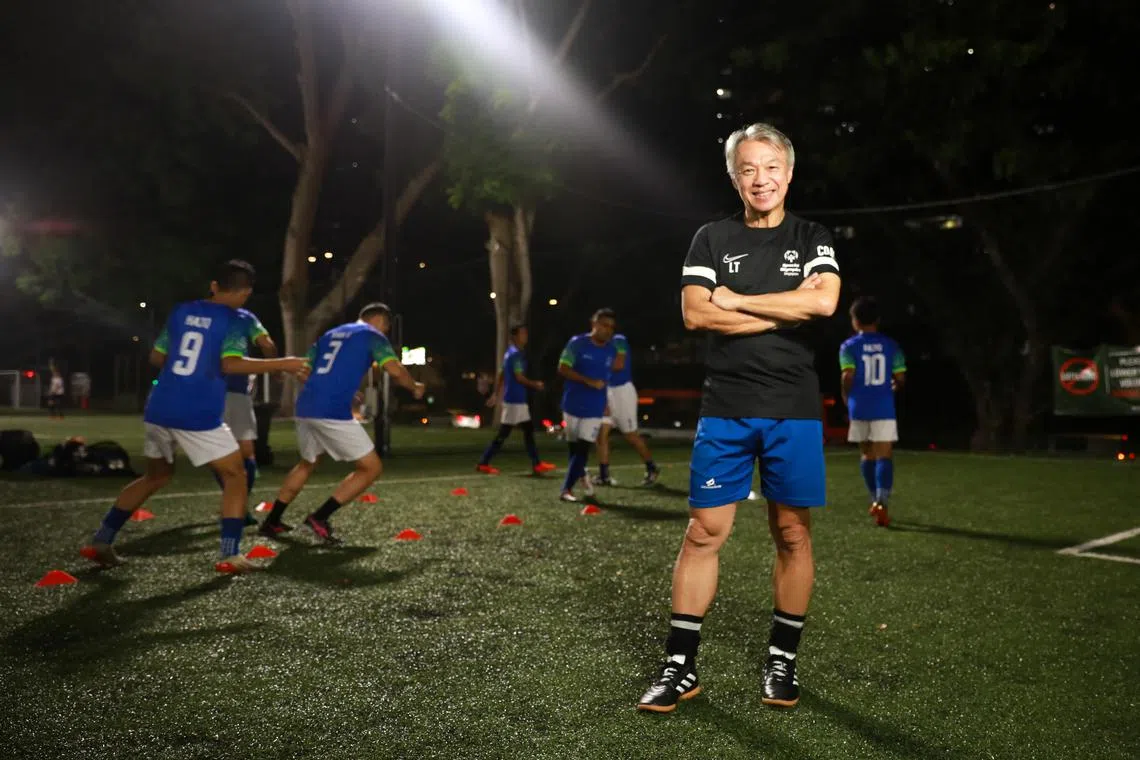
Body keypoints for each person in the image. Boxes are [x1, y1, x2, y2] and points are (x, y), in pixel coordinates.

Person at [637, 123, 841, 713]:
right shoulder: (710, 237)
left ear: (789, 172)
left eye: (771, 167)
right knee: (704, 532)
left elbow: (824, 302)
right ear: (734, 176)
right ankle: (680, 666)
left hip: (793, 409)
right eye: (749, 169)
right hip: (725, 407)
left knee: (792, 533)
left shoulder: (813, 236)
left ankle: (782, 659)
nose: (761, 179)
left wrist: (738, 299)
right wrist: (784, 310)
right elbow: (696, 316)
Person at [79, 260, 309, 574]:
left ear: (216, 285)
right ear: (245, 292)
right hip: (197, 410)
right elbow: (231, 364)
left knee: (156, 476)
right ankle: (230, 554)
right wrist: (285, 363)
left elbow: (156, 357)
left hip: (160, 405)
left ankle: (102, 540)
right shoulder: (236, 319)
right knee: (236, 475)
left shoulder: (182, 311)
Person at [260, 302, 425, 544]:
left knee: (308, 462)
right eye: (387, 327)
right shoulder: (373, 335)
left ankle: (272, 521)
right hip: (330, 410)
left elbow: (304, 370)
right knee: (371, 468)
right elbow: (396, 371)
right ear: (381, 321)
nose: (386, 332)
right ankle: (319, 518)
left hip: (306, 406)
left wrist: (331, 388)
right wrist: (415, 387)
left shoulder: (331, 334)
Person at [840, 296, 905, 527]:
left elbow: (847, 375)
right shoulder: (891, 345)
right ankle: (882, 501)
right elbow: (900, 377)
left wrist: (846, 397)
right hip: (883, 406)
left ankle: (873, 499)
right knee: (884, 454)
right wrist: (893, 387)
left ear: (855, 321)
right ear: (877, 319)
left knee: (867, 454)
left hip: (859, 406)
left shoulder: (848, 347)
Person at [219, 308, 278, 525]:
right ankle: (237, 505)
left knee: (219, 452)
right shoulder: (244, 317)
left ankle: (233, 503)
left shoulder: (200, 314)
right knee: (246, 453)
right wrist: (276, 367)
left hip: (206, 390)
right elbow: (267, 345)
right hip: (234, 392)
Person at [476, 324, 556, 476]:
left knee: (527, 431)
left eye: (526, 333)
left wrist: (495, 394)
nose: (525, 336)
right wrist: (535, 384)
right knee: (505, 433)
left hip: (516, 400)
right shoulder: (515, 355)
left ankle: (537, 463)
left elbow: (501, 374)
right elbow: (518, 377)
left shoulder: (510, 353)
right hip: (514, 401)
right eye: (522, 333)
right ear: (514, 337)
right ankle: (483, 462)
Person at [557, 309, 617, 502]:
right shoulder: (577, 344)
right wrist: (587, 381)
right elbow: (563, 368)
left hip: (594, 408)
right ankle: (582, 476)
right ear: (594, 324)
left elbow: (606, 379)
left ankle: (566, 489)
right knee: (574, 451)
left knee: (583, 449)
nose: (607, 330)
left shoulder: (611, 349)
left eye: (611, 327)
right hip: (572, 404)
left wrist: (606, 401)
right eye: (604, 325)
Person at [595, 331, 660, 486]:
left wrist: (597, 365)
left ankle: (652, 467)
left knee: (630, 435)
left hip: (623, 392)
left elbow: (619, 364)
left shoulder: (619, 340)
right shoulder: (600, 347)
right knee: (600, 434)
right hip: (608, 391)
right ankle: (604, 475)